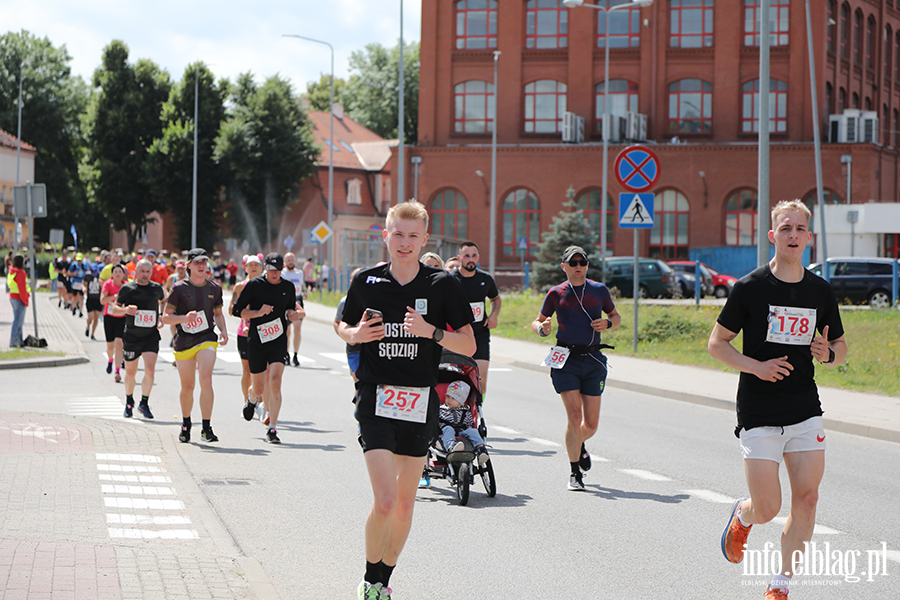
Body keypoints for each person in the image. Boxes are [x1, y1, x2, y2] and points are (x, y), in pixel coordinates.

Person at [708, 200, 847, 600]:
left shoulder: (820, 289)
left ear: (809, 237)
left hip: (804, 407)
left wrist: (829, 354)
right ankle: (743, 514)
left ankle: (780, 585)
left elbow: (839, 345)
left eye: (800, 229)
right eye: (785, 228)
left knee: (809, 498)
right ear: (773, 235)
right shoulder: (750, 288)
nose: (792, 235)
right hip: (760, 409)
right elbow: (717, 344)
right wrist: (756, 366)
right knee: (768, 508)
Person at [337, 201, 475, 600]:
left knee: (404, 505)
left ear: (425, 239)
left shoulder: (441, 285)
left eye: (413, 236)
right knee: (384, 499)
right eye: (397, 233)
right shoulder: (366, 280)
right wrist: (353, 336)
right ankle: (368, 580)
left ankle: (384, 579)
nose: (404, 242)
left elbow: (468, 342)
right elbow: (341, 323)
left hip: (418, 401)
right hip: (375, 397)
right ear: (385, 234)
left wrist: (432, 333)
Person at [530, 245, 621, 491]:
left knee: (590, 425)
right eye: (573, 263)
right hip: (566, 360)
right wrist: (542, 328)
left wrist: (608, 323)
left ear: (587, 265)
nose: (578, 266)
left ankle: (578, 445)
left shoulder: (599, 290)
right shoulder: (556, 292)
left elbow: (616, 315)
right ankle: (574, 473)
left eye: (582, 262)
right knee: (574, 416)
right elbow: (537, 320)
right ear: (564, 266)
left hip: (593, 361)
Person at [232, 253, 304, 444]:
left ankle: (272, 428)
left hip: (278, 341)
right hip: (257, 341)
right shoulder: (254, 285)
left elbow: (290, 309)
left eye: (278, 270)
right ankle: (252, 398)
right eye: (271, 270)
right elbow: (237, 311)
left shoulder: (287, 287)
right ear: (266, 268)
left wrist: (291, 313)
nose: (274, 274)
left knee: (275, 382)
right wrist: (258, 312)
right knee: (259, 386)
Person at [163, 248, 229, 444]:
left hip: (206, 338)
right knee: (187, 387)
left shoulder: (214, 288)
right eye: (197, 262)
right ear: (189, 265)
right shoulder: (179, 288)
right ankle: (186, 424)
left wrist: (223, 330)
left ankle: (206, 428)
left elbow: (217, 313)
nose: (201, 266)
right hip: (184, 341)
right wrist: (185, 318)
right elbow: (166, 318)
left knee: (206, 379)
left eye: (204, 262)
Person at [111, 259, 166, 419]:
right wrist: (126, 309)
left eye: (148, 272)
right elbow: (114, 309)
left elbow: (163, 300)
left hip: (150, 335)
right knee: (130, 372)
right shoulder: (127, 289)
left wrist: (161, 314)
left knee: (149, 370)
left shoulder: (156, 288)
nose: (145, 275)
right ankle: (129, 401)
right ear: (136, 272)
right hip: (132, 336)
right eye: (143, 271)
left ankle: (144, 403)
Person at [451, 242, 501, 400]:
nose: (470, 259)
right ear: (460, 258)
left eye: (474, 256)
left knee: (481, 380)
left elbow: (496, 300)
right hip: (457, 335)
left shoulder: (485, 279)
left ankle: (477, 413)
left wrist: (494, 315)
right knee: (457, 379)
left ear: (478, 258)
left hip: (480, 334)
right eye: (466, 256)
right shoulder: (450, 279)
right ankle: (454, 413)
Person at [231, 255, 267, 423]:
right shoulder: (240, 286)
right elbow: (232, 309)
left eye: (256, 265)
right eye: (250, 265)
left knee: (263, 371)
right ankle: (248, 403)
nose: (253, 267)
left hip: (263, 332)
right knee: (247, 369)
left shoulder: (268, 286)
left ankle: (261, 404)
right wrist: (245, 319)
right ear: (245, 268)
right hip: (244, 333)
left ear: (262, 268)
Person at [439, 380, 489, 464]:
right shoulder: (441, 410)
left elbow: (469, 424)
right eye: (448, 396)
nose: (449, 400)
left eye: (453, 398)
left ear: (461, 402)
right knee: (448, 428)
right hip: (445, 433)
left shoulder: (466, 412)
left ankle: (481, 449)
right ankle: (452, 447)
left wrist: (469, 431)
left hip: (461, 432)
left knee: (472, 431)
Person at [101, 264, 128, 382]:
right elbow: (102, 300)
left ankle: (117, 371)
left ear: (123, 274)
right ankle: (110, 360)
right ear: (112, 274)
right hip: (109, 317)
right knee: (110, 347)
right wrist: (115, 297)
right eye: (115, 271)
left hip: (121, 317)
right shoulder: (108, 284)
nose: (117, 273)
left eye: (120, 272)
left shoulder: (126, 285)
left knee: (119, 343)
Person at [280, 252, 306, 367]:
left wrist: (304, 291)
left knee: (298, 328)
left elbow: (301, 284)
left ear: (295, 261)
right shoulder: (282, 274)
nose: (290, 262)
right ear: (285, 261)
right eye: (288, 260)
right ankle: (286, 354)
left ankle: (296, 354)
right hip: (286, 301)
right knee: (287, 331)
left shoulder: (299, 273)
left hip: (298, 300)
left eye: (292, 260)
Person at [7, 254, 29, 348]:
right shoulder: (21, 273)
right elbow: (22, 289)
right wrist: (26, 300)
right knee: (18, 321)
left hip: (12, 297)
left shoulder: (12, 271)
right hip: (19, 299)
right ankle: (14, 341)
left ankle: (19, 340)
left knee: (18, 321)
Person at [83, 269, 103, 340]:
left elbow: (103, 284)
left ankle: (92, 333)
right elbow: (83, 283)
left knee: (96, 317)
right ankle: (88, 327)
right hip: (90, 299)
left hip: (98, 299)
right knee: (90, 317)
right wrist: (84, 288)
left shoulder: (100, 276)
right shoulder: (88, 276)